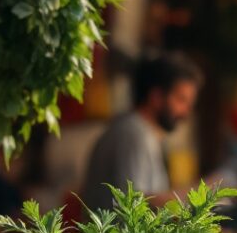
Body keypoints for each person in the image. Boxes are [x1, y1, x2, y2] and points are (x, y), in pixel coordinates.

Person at [81, 54, 203, 210]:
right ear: (156, 96)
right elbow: (135, 205)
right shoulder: (133, 134)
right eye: (181, 100)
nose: (186, 112)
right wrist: (204, 195)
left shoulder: (139, 132)